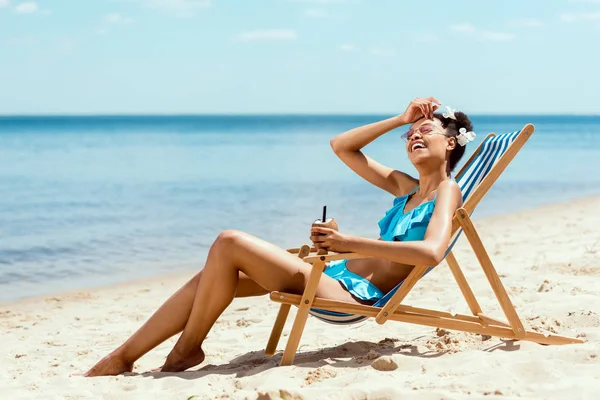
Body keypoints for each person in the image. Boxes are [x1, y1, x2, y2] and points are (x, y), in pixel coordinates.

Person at [84, 97, 475, 376]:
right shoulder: (404, 188)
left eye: (423, 130)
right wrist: (399, 117)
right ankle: (124, 356)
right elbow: (342, 146)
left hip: (348, 298)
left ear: (452, 142)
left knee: (229, 241)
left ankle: (185, 350)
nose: (412, 137)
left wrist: (348, 243)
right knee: (213, 276)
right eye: (407, 135)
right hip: (331, 278)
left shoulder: (447, 191)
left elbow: (432, 252)